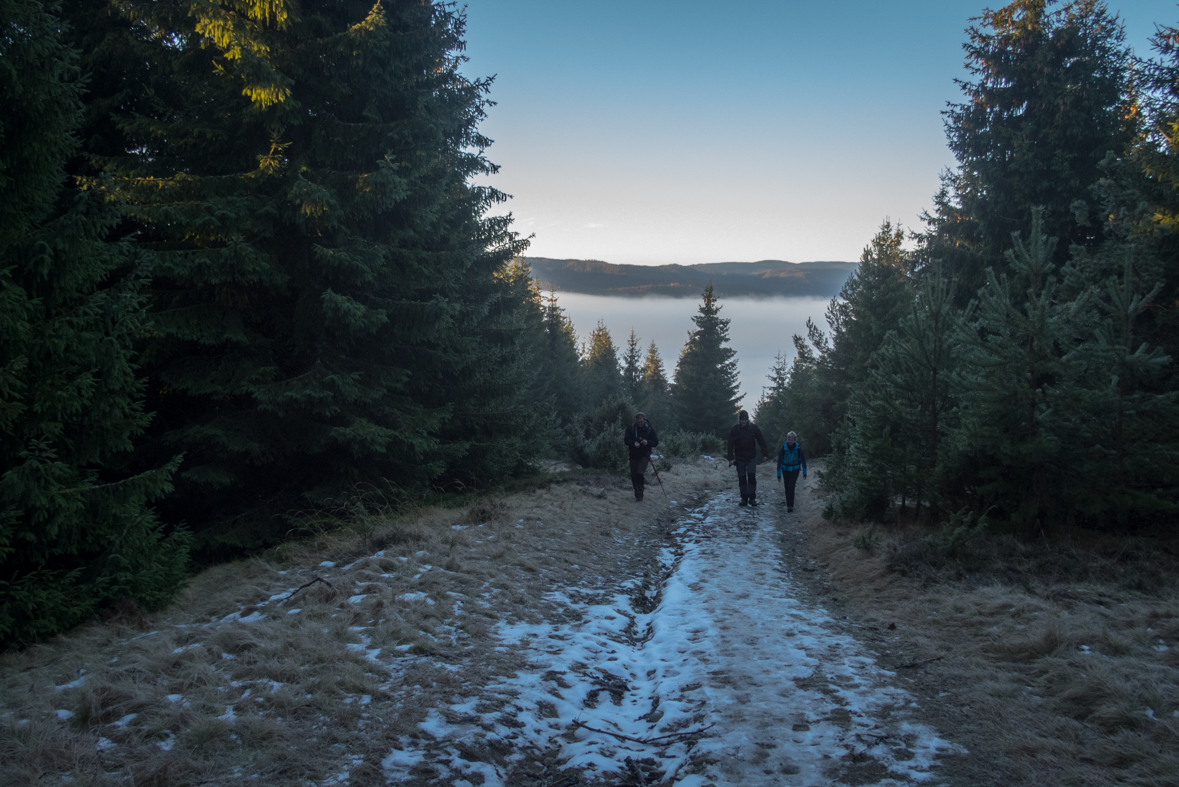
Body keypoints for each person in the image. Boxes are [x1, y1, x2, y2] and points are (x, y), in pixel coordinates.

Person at [727, 410, 769, 507]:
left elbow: (761, 440)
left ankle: (752, 498)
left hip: (751, 457)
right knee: (742, 478)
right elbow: (730, 445)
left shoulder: (753, 428)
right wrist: (730, 458)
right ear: (739, 419)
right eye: (742, 420)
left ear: (748, 419)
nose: (744, 422)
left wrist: (765, 454)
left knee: (751, 477)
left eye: (745, 420)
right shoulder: (735, 430)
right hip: (739, 457)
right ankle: (744, 498)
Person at [623, 412, 658, 501]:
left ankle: (639, 495)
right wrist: (633, 443)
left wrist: (648, 442)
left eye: (641, 422)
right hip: (633, 455)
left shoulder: (649, 429)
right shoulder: (631, 428)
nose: (640, 424)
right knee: (633, 475)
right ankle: (637, 493)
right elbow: (626, 440)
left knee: (640, 474)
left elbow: (655, 442)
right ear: (636, 420)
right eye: (638, 422)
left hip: (644, 455)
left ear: (644, 420)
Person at [776, 430, 807, 512]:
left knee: (791, 486)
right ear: (787, 439)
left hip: (795, 470)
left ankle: (791, 505)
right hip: (785, 470)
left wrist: (804, 472)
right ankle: (788, 504)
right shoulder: (783, 449)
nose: (790, 442)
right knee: (786, 487)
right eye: (789, 440)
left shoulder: (799, 449)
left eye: (792, 440)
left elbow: (803, 461)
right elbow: (779, 462)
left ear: (795, 440)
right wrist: (778, 475)